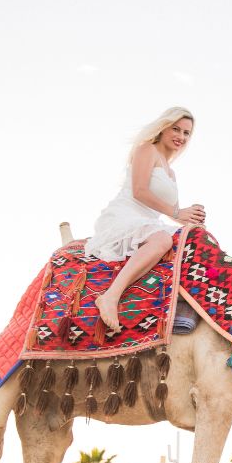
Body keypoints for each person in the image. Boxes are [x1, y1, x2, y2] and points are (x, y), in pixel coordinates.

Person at [85, 107, 206, 332]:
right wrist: (177, 214)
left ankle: (186, 310)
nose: (181, 136)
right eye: (176, 129)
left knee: (194, 241)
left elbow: (172, 211)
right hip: (124, 215)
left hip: (149, 222)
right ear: (163, 128)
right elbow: (139, 191)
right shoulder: (146, 150)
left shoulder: (171, 173)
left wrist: (190, 218)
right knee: (162, 241)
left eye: (186, 133)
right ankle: (110, 296)